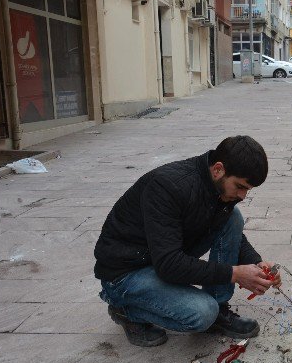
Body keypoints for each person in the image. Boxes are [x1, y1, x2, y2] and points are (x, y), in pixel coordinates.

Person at [94, 135, 280, 347]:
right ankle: (125, 309)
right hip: (125, 274)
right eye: (240, 186)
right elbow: (169, 264)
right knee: (201, 314)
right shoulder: (167, 187)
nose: (243, 195)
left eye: (247, 189)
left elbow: (227, 230)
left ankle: (219, 307)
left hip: (159, 257)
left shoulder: (216, 187)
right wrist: (235, 274)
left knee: (233, 217)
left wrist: (257, 263)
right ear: (218, 169)